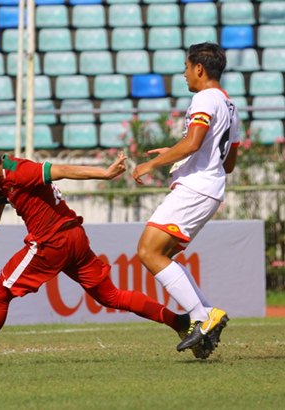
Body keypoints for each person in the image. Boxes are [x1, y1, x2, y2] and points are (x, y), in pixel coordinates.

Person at [0, 136, 191, 369]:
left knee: (0, 292)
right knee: (111, 296)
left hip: (51, 243)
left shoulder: (20, 171)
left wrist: (104, 174)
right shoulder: (0, 182)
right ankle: (179, 322)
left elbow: (61, 171)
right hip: (74, 238)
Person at [131, 42, 240, 356]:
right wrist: (175, 152)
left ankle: (203, 316)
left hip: (195, 188)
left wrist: (151, 164)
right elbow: (228, 163)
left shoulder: (204, 98)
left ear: (199, 69)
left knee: (148, 251)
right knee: (162, 254)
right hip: (211, 189)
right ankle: (204, 318)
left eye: (186, 67)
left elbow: (193, 143)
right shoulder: (230, 106)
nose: (184, 74)